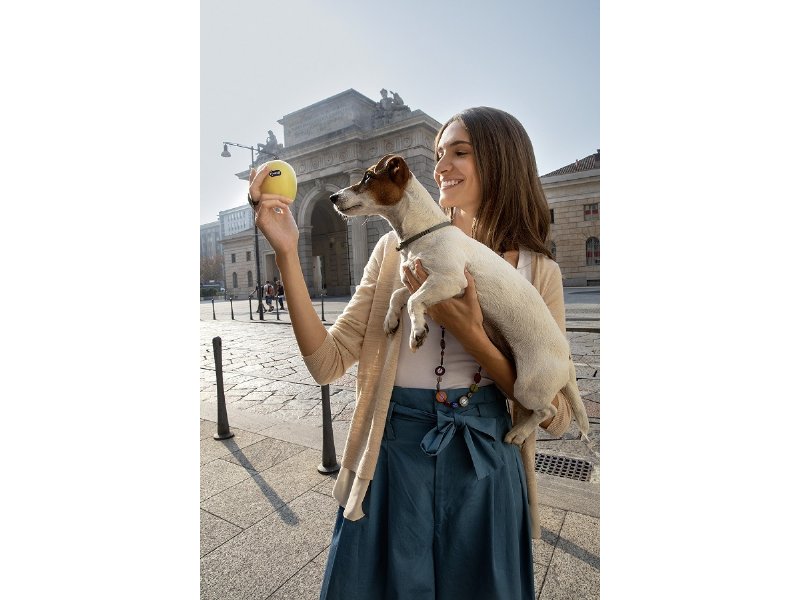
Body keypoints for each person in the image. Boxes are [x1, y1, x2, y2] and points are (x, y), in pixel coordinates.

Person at [250, 106, 578, 600]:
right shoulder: (392, 252)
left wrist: (473, 335)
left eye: (460, 152)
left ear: (503, 161)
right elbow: (326, 362)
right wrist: (287, 254)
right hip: (391, 458)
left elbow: (552, 418)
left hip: (485, 464)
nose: (442, 166)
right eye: (440, 153)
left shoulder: (538, 273)